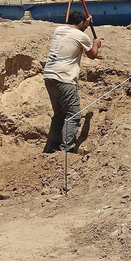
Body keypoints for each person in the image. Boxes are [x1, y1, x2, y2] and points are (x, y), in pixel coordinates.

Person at [43, 10, 102, 154]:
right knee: (73, 114)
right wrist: (96, 44)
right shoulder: (82, 36)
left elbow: (75, 28)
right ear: (82, 23)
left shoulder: (58, 30)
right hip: (65, 79)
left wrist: (85, 24)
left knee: (59, 114)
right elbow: (93, 55)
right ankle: (66, 150)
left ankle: (53, 146)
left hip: (49, 76)